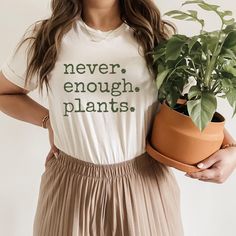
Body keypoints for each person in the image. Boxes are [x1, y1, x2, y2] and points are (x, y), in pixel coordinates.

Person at [0, 0, 236, 236]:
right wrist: (48, 120)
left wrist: (231, 148)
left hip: (144, 186)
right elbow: (4, 92)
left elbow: (190, 106)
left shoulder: (157, 36)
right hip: (69, 189)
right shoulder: (46, 37)